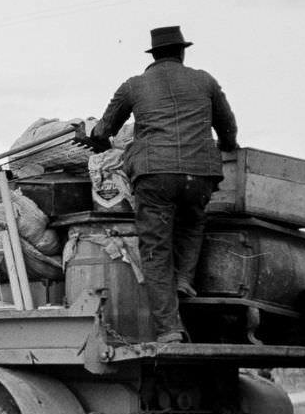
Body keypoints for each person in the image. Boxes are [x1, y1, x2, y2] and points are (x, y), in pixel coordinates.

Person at [89, 26, 237, 344]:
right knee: (192, 223)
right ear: (182, 52)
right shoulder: (205, 80)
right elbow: (228, 127)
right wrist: (227, 146)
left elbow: (103, 132)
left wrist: (98, 144)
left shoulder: (133, 86)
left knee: (155, 249)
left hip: (154, 175)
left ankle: (169, 328)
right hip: (200, 174)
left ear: (153, 55)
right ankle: (184, 278)